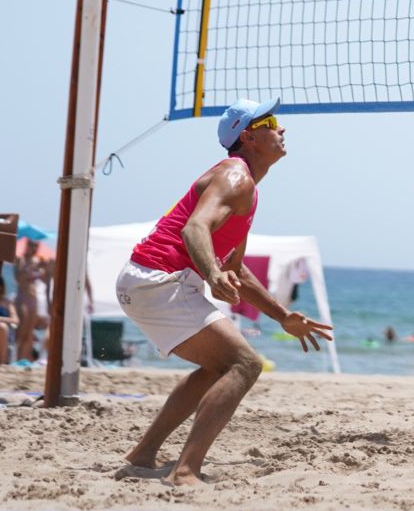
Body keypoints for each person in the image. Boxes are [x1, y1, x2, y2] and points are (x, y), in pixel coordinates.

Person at [115, 98, 333, 486]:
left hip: (146, 279)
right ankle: (184, 472)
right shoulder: (236, 176)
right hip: (160, 279)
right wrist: (212, 273)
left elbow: (237, 269)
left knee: (217, 367)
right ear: (248, 137)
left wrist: (283, 316)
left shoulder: (245, 187)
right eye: (271, 122)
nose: (281, 129)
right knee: (244, 365)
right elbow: (193, 229)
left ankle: (143, 455)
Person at [13, 238, 51, 363]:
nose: (34, 248)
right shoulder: (20, 259)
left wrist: (45, 269)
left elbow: (46, 279)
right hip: (22, 298)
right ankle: (15, 357)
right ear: (27, 245)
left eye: (36, 246)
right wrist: (32, 270)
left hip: (33, 299)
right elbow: (19, 279)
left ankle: (23, 360)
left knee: (29, 333)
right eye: (32, 245)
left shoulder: (38, 261)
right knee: (21, 331)